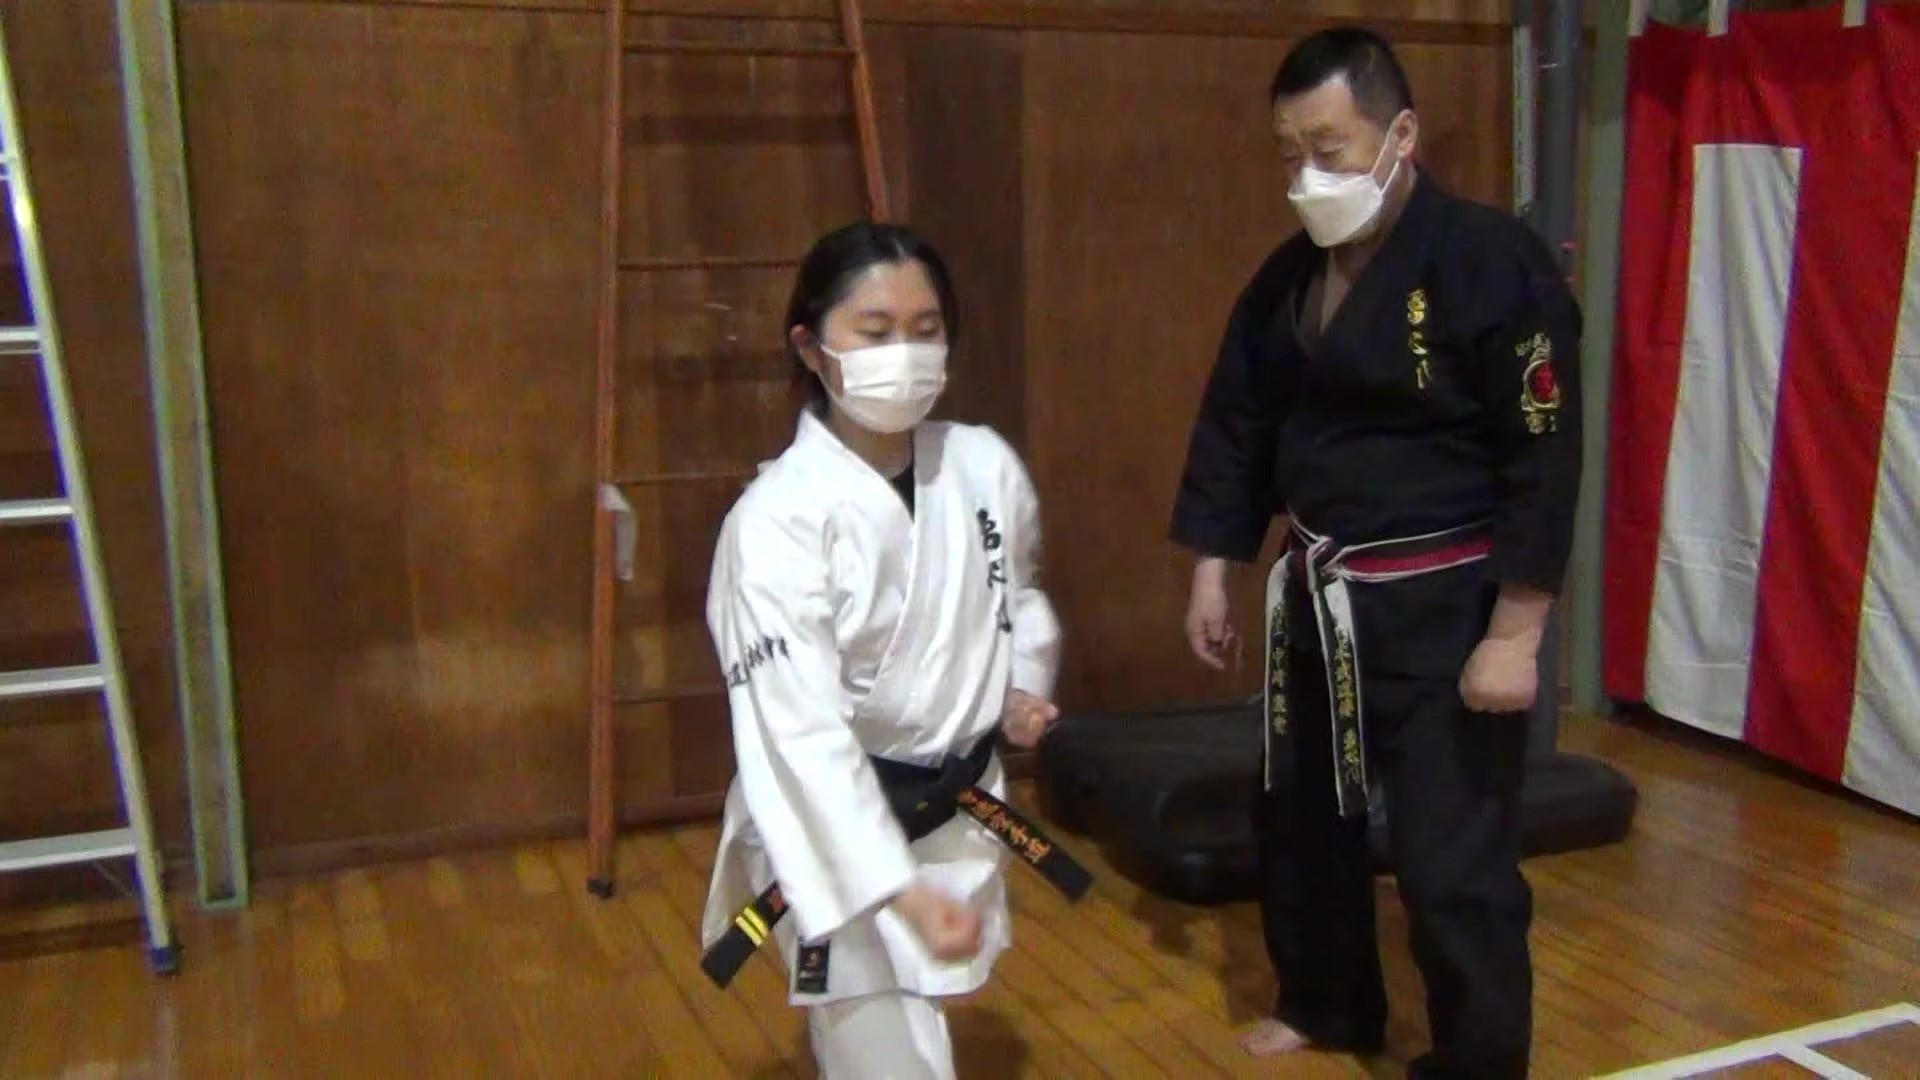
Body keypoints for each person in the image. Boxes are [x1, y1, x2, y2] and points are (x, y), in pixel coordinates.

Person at [1168, 27, 1582, 1079]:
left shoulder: (1492, 261)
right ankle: (1328, 1001)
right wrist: (1215, 566)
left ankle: (1479, 1060)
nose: (1308, 176)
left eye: (1330, 150)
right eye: (1290, 154)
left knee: (1452, 854)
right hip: (1318, 599)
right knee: (1300, 818)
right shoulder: (1287, 277)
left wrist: (1515, 635)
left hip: (1445, 609)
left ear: (1400, 135)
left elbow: (1543, 455)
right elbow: (1238, 422)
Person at [698, 221, 1066, 1079]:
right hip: (834, 832)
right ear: (811, 347)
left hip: (956, 808)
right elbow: (798, 732)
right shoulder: (775, 522)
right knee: (886, 1053)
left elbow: (1017, 595)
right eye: (874, 331)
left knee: (913, 1022)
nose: (904, 351)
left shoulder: (981, 464)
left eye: (925, 329)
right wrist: (895, 887)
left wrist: (1017, 684)